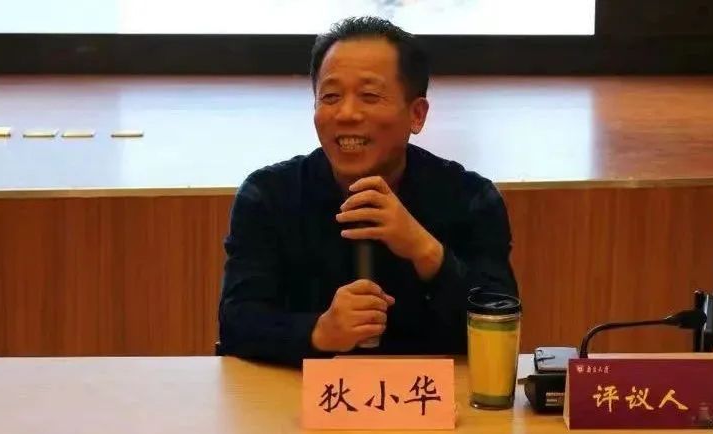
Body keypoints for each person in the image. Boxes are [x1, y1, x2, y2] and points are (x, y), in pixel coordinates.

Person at [218, 16, 517, 366]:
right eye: (330, 96)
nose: (346, 114)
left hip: (433, 396)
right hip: (300, 396)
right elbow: (237, 322)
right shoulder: (268, 196)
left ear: (416, 114)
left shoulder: (470, 198)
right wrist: (317, 331)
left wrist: (426, 251)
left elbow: (500, 319)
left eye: (370, 96)